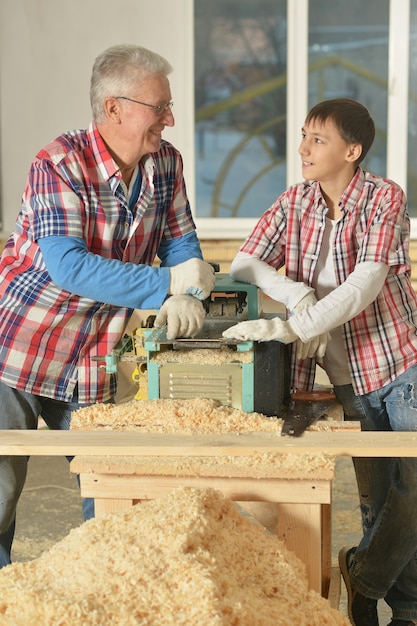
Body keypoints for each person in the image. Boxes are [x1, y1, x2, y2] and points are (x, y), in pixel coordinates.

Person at [0, 43, 215, 568]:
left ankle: (107, 592)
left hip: (93, 354)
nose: (170, 118)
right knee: (1, 494)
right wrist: (164, 285)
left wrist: (189, 287)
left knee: (116, 484)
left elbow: (181, 240)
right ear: (114, 108)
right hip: (21, 347)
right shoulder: (58, 163)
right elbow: (68, 267)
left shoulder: (165, 162)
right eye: (158, 106)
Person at [222, 98, 417, 626]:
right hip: (342, 376)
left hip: (398, 363)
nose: (303, 148)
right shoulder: (295, 201)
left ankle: (364, 573)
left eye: (318, 139)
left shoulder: (384, 198)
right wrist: (294, 289)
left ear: (352, 151)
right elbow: (244, 262)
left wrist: (293, 325)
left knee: (415, 486)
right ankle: (401, 609)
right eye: (304, 135)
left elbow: (366, 283)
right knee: (379, 497)